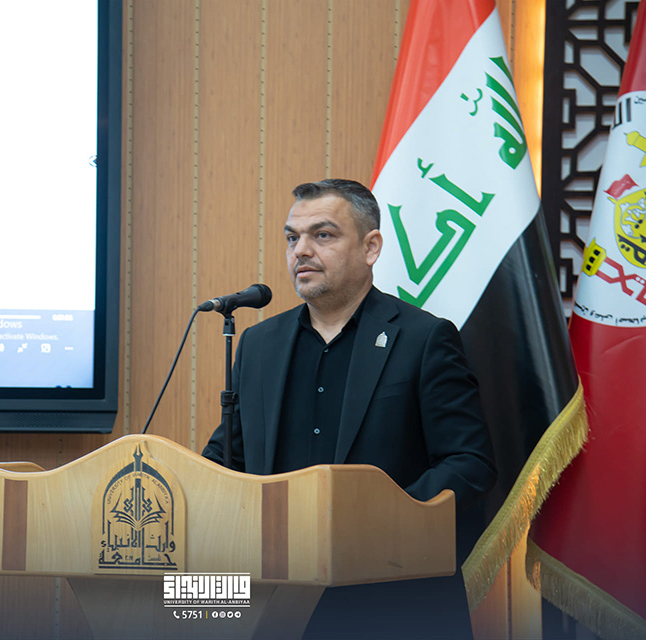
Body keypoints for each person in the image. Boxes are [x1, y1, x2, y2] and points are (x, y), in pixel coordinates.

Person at [202, 179, 497, 639]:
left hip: (393, 600)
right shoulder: (259, 345)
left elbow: (469, 462)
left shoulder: (423, 338)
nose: (301, 250)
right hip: (279, 602)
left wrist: (379, 521)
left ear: (370, 247)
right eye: (292, 238)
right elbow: (227, 459)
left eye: (322, 235)